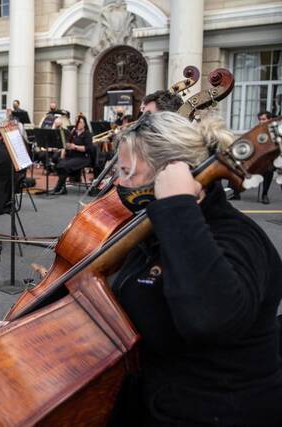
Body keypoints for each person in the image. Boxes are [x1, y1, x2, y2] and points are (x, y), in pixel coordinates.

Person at [110, 111, 282, 426]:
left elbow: (209, 318)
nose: (119, 184)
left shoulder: (239, 238)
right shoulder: (154, 229)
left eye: (126, 172)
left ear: (171, 174)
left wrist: (177, 207)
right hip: (154, 402)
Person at [52, 114, 93, 195]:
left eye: (80, 122)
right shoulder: (73, 133)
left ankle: (58, 187)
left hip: (83, 157)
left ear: (84, 123)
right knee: (60, 164)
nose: (78, 124)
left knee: (65, 165)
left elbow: (88, 148)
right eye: (77, 122)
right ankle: (62, 187)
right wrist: (65, 148)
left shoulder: (87, 134)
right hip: (72, 156)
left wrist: (75, 147)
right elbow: (67, 144)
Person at [257, 110, 274, 204]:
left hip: (269, 159)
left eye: (263, 119)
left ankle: (264, 194)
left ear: (270, 119)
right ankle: (234, 192)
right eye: (260, 119)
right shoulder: (256, 130)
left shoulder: (274, 130)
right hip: (257, 157)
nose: (261, 121)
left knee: (269, 170)